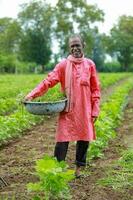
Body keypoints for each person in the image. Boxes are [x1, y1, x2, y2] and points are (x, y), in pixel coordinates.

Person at [25, 34, 101, 178]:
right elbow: (48, 81)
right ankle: (57, 170)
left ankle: (79, 168)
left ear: (83, 45)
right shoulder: (63, 65)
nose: (75, 48)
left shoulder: (89, 64)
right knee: (62, 140)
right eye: (72, 46)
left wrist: (95, 109)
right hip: (67, 110)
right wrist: (32, 94)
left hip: (85, 109)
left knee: (84, 139)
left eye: (77, 45)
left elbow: (95, 89)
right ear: (69, 48)